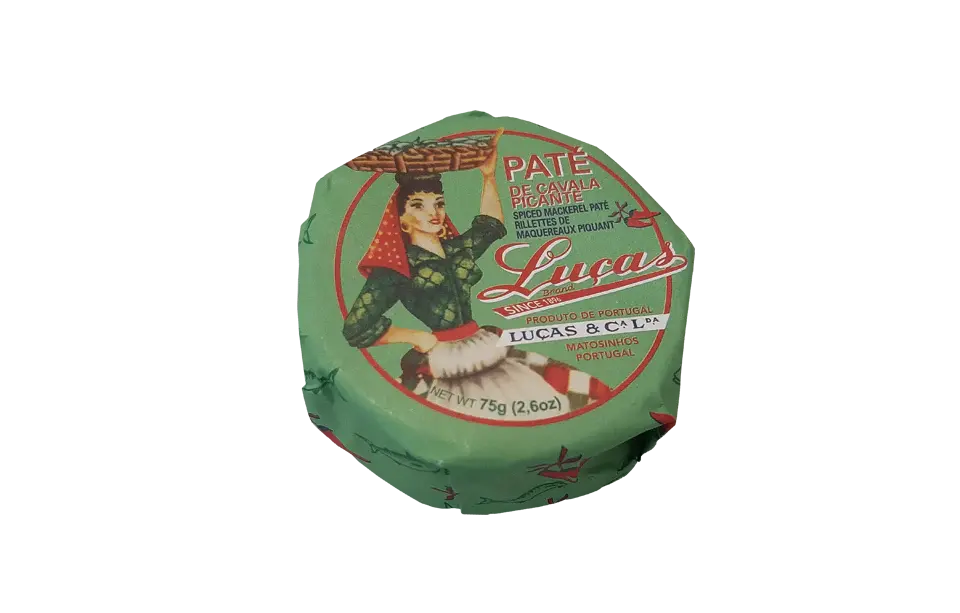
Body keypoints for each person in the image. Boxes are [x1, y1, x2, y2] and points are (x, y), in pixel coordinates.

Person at [342, 131, 611, 418]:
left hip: (482, 344)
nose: (434, 213)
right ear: (402, 218)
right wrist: (416, 337)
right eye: (419, 206)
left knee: (552, 398)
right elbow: (355, 327)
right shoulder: (397, 266)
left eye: (439, 203)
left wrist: (488, 176)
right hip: (444, 359)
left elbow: (490, 226)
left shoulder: (457, 250)